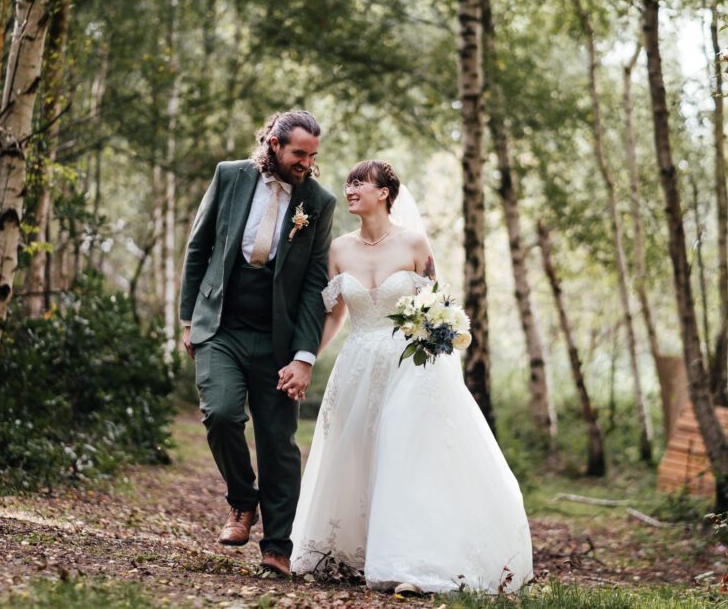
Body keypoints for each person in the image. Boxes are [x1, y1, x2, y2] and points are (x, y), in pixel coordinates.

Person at [287, 160, 533, 594]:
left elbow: (439, 311)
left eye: (360, 182)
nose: (349, 189)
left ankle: (412, 558)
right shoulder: (339, 249)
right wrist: (304, 360)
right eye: (348, 183)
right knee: (359, 453)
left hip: (411, 369)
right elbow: (335, 315)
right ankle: (355, 547)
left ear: (384, 193)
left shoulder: (415, 244)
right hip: (358, 365)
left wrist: (440, 342)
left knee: (404, 454)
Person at [178, 110, 336, 576]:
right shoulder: (229, 177)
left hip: (278, 339)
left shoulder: (319, 202)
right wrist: (189, 319)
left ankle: (278, 548)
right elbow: (198, 247)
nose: (306, 163)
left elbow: (313, 283)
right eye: (298, 154)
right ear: (273, 145)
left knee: (277, 441)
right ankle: (243, 502)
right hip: (220, 324)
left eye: (312, 156)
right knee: (221, 413)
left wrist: (304, 356)